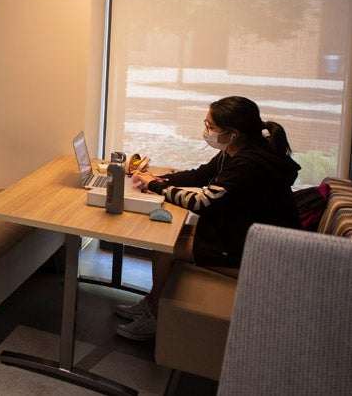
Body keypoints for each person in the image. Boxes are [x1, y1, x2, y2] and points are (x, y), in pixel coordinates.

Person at [114, 96, 301, 341]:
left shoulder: (249, 164)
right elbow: (199, 176)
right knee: (170, 236)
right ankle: (151, 303)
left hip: (259, 254)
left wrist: (157, 188)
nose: (206, 131)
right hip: (242, 235)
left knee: (165, 248)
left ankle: (156, 315)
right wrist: (155, 179)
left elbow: (202, 202)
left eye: (211, 127)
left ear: (233, 133)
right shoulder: (237, 150)